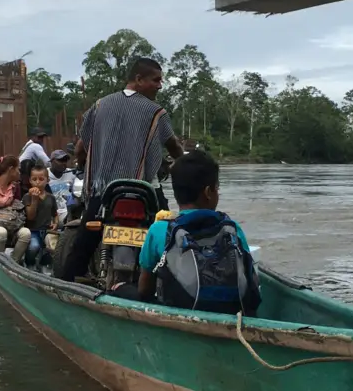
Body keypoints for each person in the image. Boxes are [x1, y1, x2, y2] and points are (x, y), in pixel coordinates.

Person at [55, 57, 184, 281]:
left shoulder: (100, 106)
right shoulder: (156, 112)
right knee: (169, 237)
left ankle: (65, 286)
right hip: (146, 189)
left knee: (82, 247)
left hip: (105, 190)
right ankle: (174, 284)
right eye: (156, 80)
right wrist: (183, 163)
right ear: (138, 79)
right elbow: (173, 146)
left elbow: (81, 148)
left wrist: (85, 166)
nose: (160, 86)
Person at [121, 150, 260, 316]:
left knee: (121, 289)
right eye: (217, 188)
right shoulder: (233, 229)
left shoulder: (159, 230)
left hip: (177, 318)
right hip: (233, 316)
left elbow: (145, 290)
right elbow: (252, 285)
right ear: (208, 192)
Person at [22, 164, 58, 268]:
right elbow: (30, 216)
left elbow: (55, 214)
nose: (37, 182)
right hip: (32, 231)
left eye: (41, 179)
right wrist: (34, 199)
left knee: (54, 248)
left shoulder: (51, 197)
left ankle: (45, 264)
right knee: (33, 247)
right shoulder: (27, 196)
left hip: (47, 231)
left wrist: (55, 223)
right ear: (30, 180)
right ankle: (29, 262)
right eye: (34, 179)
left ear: (47, 180)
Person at [47, 149, 80, 224]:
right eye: (60, 160)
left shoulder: (71, 174)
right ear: (52, 161)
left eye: (65, 160)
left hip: (69, 210)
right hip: (53, 212)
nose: (64, 163)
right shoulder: (45, 174)